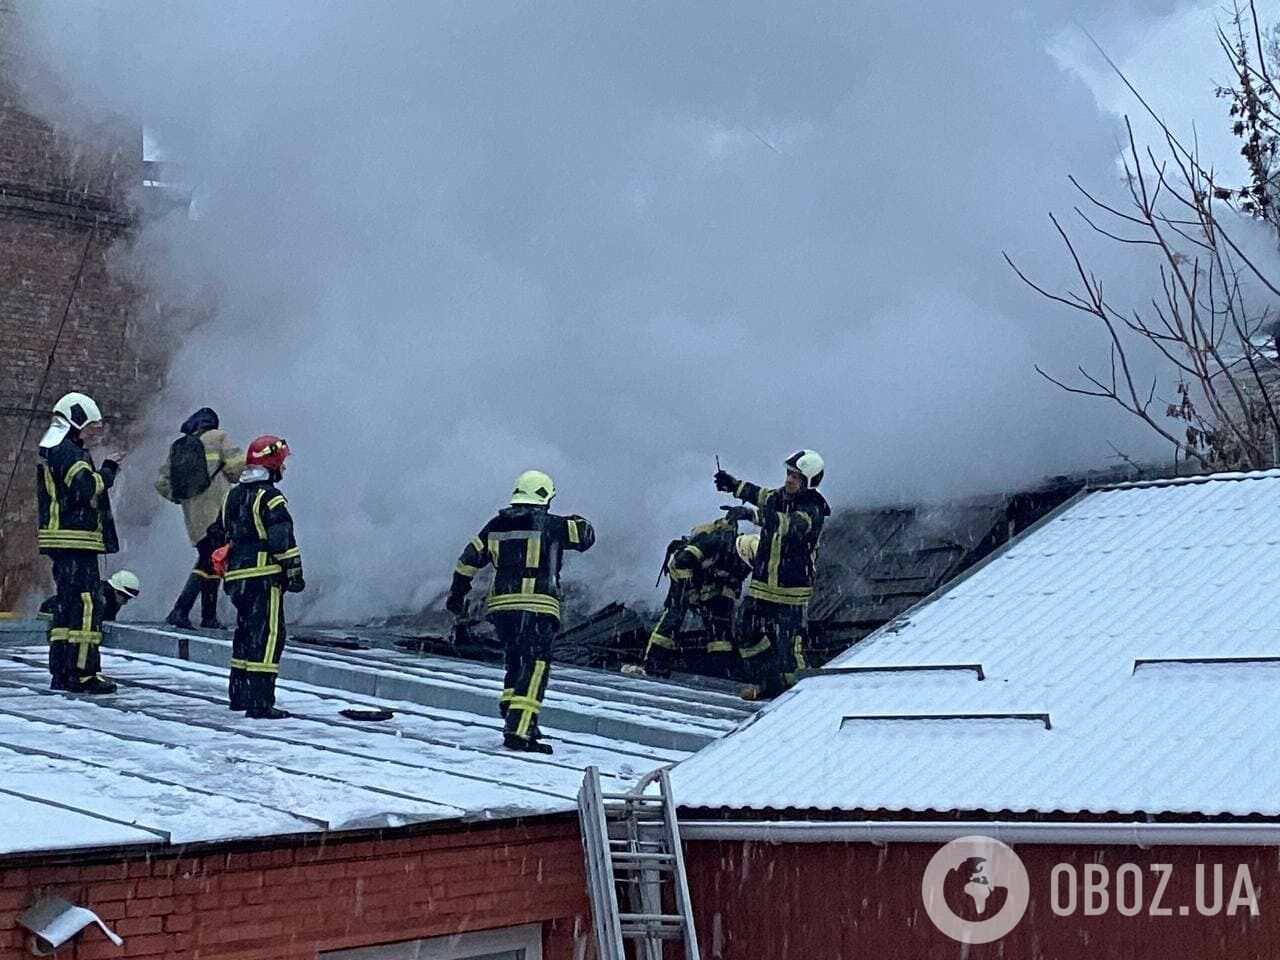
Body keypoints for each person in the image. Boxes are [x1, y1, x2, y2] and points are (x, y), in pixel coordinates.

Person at [446, 470, 595, 754]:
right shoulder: (552, 525)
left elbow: (467, 561)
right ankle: (520, 728)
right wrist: (576, 519)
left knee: (515, 661)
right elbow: (586, 536)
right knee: (536, 664)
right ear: (544, 496)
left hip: (502, 608)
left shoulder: (495, 526)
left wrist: (457, 595)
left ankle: (512, 711)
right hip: (538, 606)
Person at [715, 449, 830, 699]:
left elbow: (788, 525)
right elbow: (759, 494)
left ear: (809, 483)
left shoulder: (813, 510)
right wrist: (733, 485)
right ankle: (767, 680)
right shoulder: (779, 497)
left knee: (791, 647)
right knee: (745, 630)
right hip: (763, 585)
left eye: (797, 477)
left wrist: (751, 515)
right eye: (789, 474)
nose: (789, 480)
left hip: (792, 591)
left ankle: (800, 694)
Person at [35, 392, 121, 693]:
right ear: (75, 421)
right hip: (76, 539)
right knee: (87, 604)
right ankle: (83, 673)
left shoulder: (54, 449)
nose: (91, 434)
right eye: (89, 427)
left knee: (67, 606)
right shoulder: (68, 452)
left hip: (64, 540)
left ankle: (61, 670)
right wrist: (108, 470)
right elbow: (86, 488)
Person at [217, 435, 303, 719]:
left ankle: (240, 695)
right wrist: (294, 573)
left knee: (244, 635)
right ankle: (260, 701)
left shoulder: (233, 494)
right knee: (267, 638)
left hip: (237, 578)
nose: (284, 469)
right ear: (272, 464)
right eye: (282, 463)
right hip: (264, 577)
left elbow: (222, 531)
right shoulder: (270, 497)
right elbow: (282, 539)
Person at [624, 519, 759, 679]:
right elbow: (682, 561)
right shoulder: (714, 542)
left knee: (720, 623)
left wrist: (728, 599)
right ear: (742, 551)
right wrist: (690, 592)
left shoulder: (746, 560)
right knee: (674, 616)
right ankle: (653, 664)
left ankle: (721, 669)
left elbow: (734, 579)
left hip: (711, 582)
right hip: (684, 575)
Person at [155, 407, 244, 629]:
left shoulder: (179, 447)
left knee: (210, 558)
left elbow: (162, 483)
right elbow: (236, 469)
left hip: (194, 514)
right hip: (218, 511)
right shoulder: (219, 437)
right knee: (211, 559)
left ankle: (206, 615)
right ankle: (183, 610)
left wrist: (181, 498)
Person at [40, 570, 141, 629]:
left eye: (129, 598)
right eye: (125, 597)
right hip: (53, 612)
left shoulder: (109, 599)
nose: (125, 602)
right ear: (115, 590)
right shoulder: (102, 599)